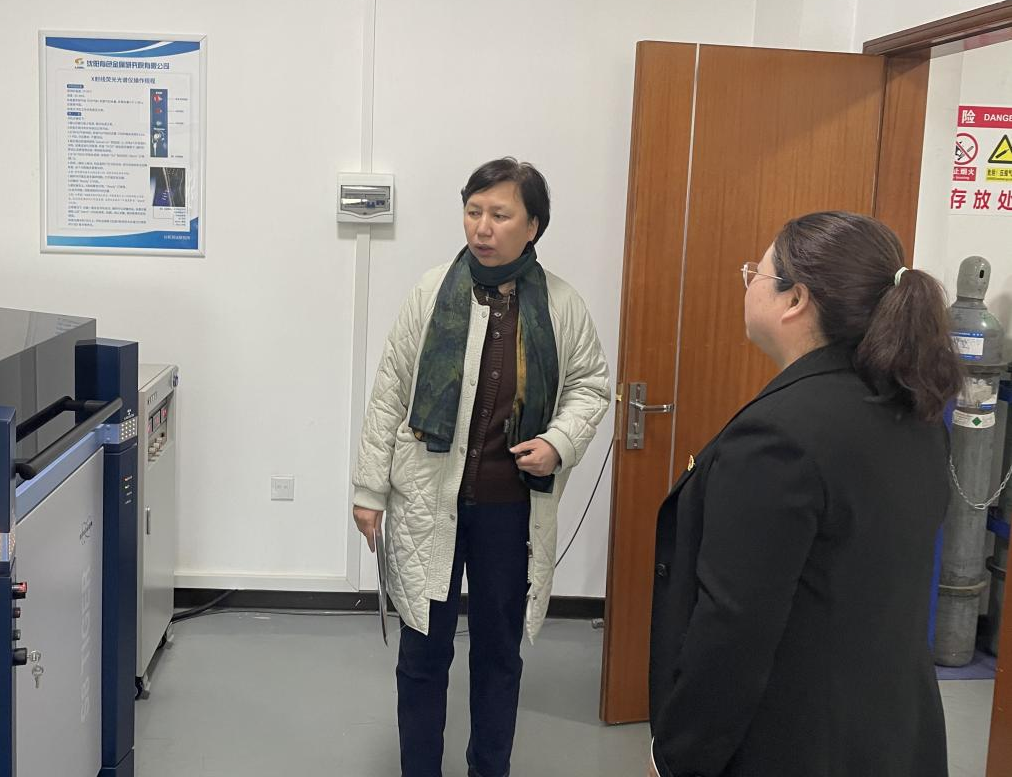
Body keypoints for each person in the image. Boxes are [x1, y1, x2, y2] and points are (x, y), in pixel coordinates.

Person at [648, 211, 964, 777]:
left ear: (795, 299)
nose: (748, 280)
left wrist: (678, 756)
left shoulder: (778, 437)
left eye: (758, 271)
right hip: (891, 731)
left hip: (795, 741)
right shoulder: (912, 413)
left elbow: (734, 629)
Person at [352, 157, 611, 777]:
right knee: (422, 654)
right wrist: (369, 489)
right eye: (473, 211)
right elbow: (390, 392)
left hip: (510, 509)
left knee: (498, 656)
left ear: (533, 226)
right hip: (427, 503)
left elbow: (591, 385)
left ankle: (488, 768)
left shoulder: (561, 305)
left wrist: (557, 442)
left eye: (500, 214)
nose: (483, 227)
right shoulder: (430, 291)